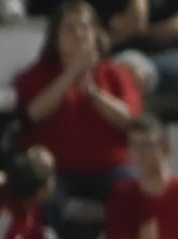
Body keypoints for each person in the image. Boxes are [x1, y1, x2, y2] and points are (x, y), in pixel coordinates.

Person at [15, 0, 144, 207]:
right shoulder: (38, 74)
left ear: (95, 34)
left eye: (85, 27)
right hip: (57, 170)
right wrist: (72, 72)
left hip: (110, 167)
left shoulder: (115, 73)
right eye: (69, 28)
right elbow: (33, 114)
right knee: (43, 197)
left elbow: (131, 121)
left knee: (131, 191)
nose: (78, 34)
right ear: (56, 37)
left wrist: (94, 94)